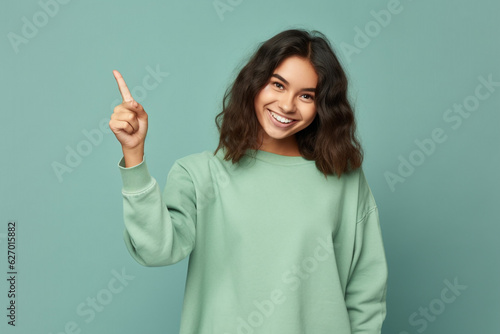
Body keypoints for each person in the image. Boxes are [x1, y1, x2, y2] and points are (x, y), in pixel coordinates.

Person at [110, 28, 388, 334]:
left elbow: (366, 290)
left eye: (306, 95)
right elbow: (156, 250)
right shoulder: (200, 174)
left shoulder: (342, 176)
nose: (287, 105)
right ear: (254, 85)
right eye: (278, 85)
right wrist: (133, 153)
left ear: (322, 105)